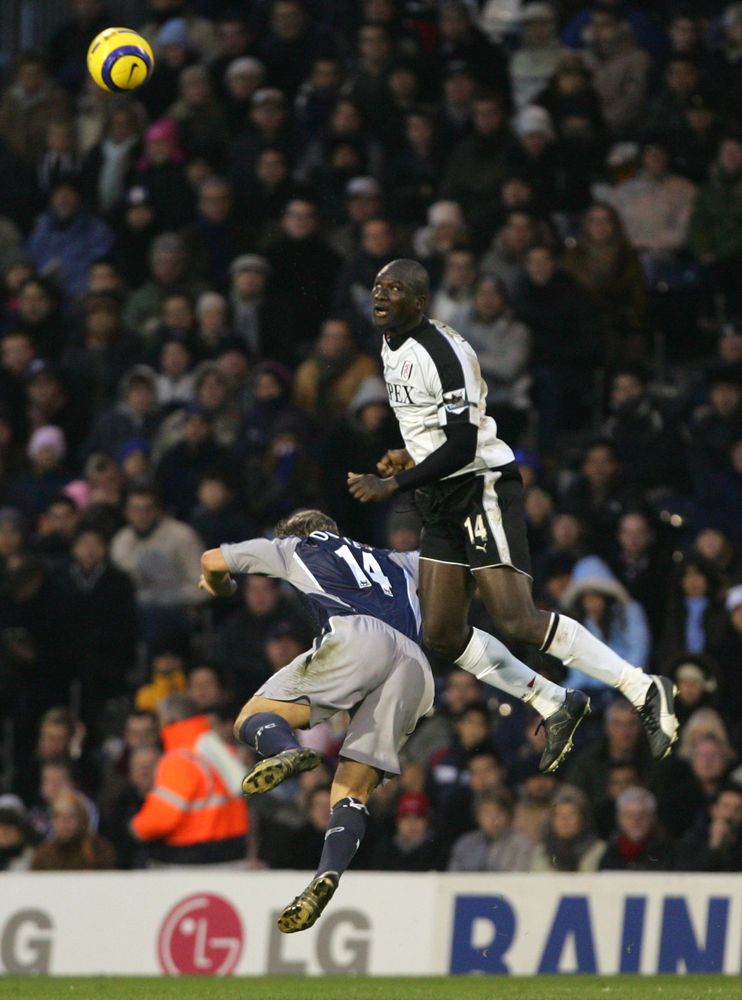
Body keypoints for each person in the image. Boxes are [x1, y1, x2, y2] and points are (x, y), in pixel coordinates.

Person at [347, 258, 677, 767]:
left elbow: (462, 445)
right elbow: (431, 428)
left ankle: (643, 685)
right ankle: (552, 699)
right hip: (438, 494)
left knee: (515, 617)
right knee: (440, 633)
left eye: (395, 288)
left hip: (478, 487)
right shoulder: (389, 344)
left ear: (420, 301)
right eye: (377, 286)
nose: (381, 295)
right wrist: (410, 455)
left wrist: (392, 482)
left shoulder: (446, 352)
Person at [199, 508, 435, 930]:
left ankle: (286, 750)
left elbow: (212, 560)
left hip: (357, 636)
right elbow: (457, 572)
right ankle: (328, 873)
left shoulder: (296, 548)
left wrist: (219, 585)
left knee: (253, 717)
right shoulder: (396, 559)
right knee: (352, 787)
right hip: (416, 666)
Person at [129, 692, 248, 866]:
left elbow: (161, 818)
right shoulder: (219, 748)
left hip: (190, 856)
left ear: (169, 719)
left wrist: (134, 828)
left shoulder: (179, 759)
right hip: (233, 851)